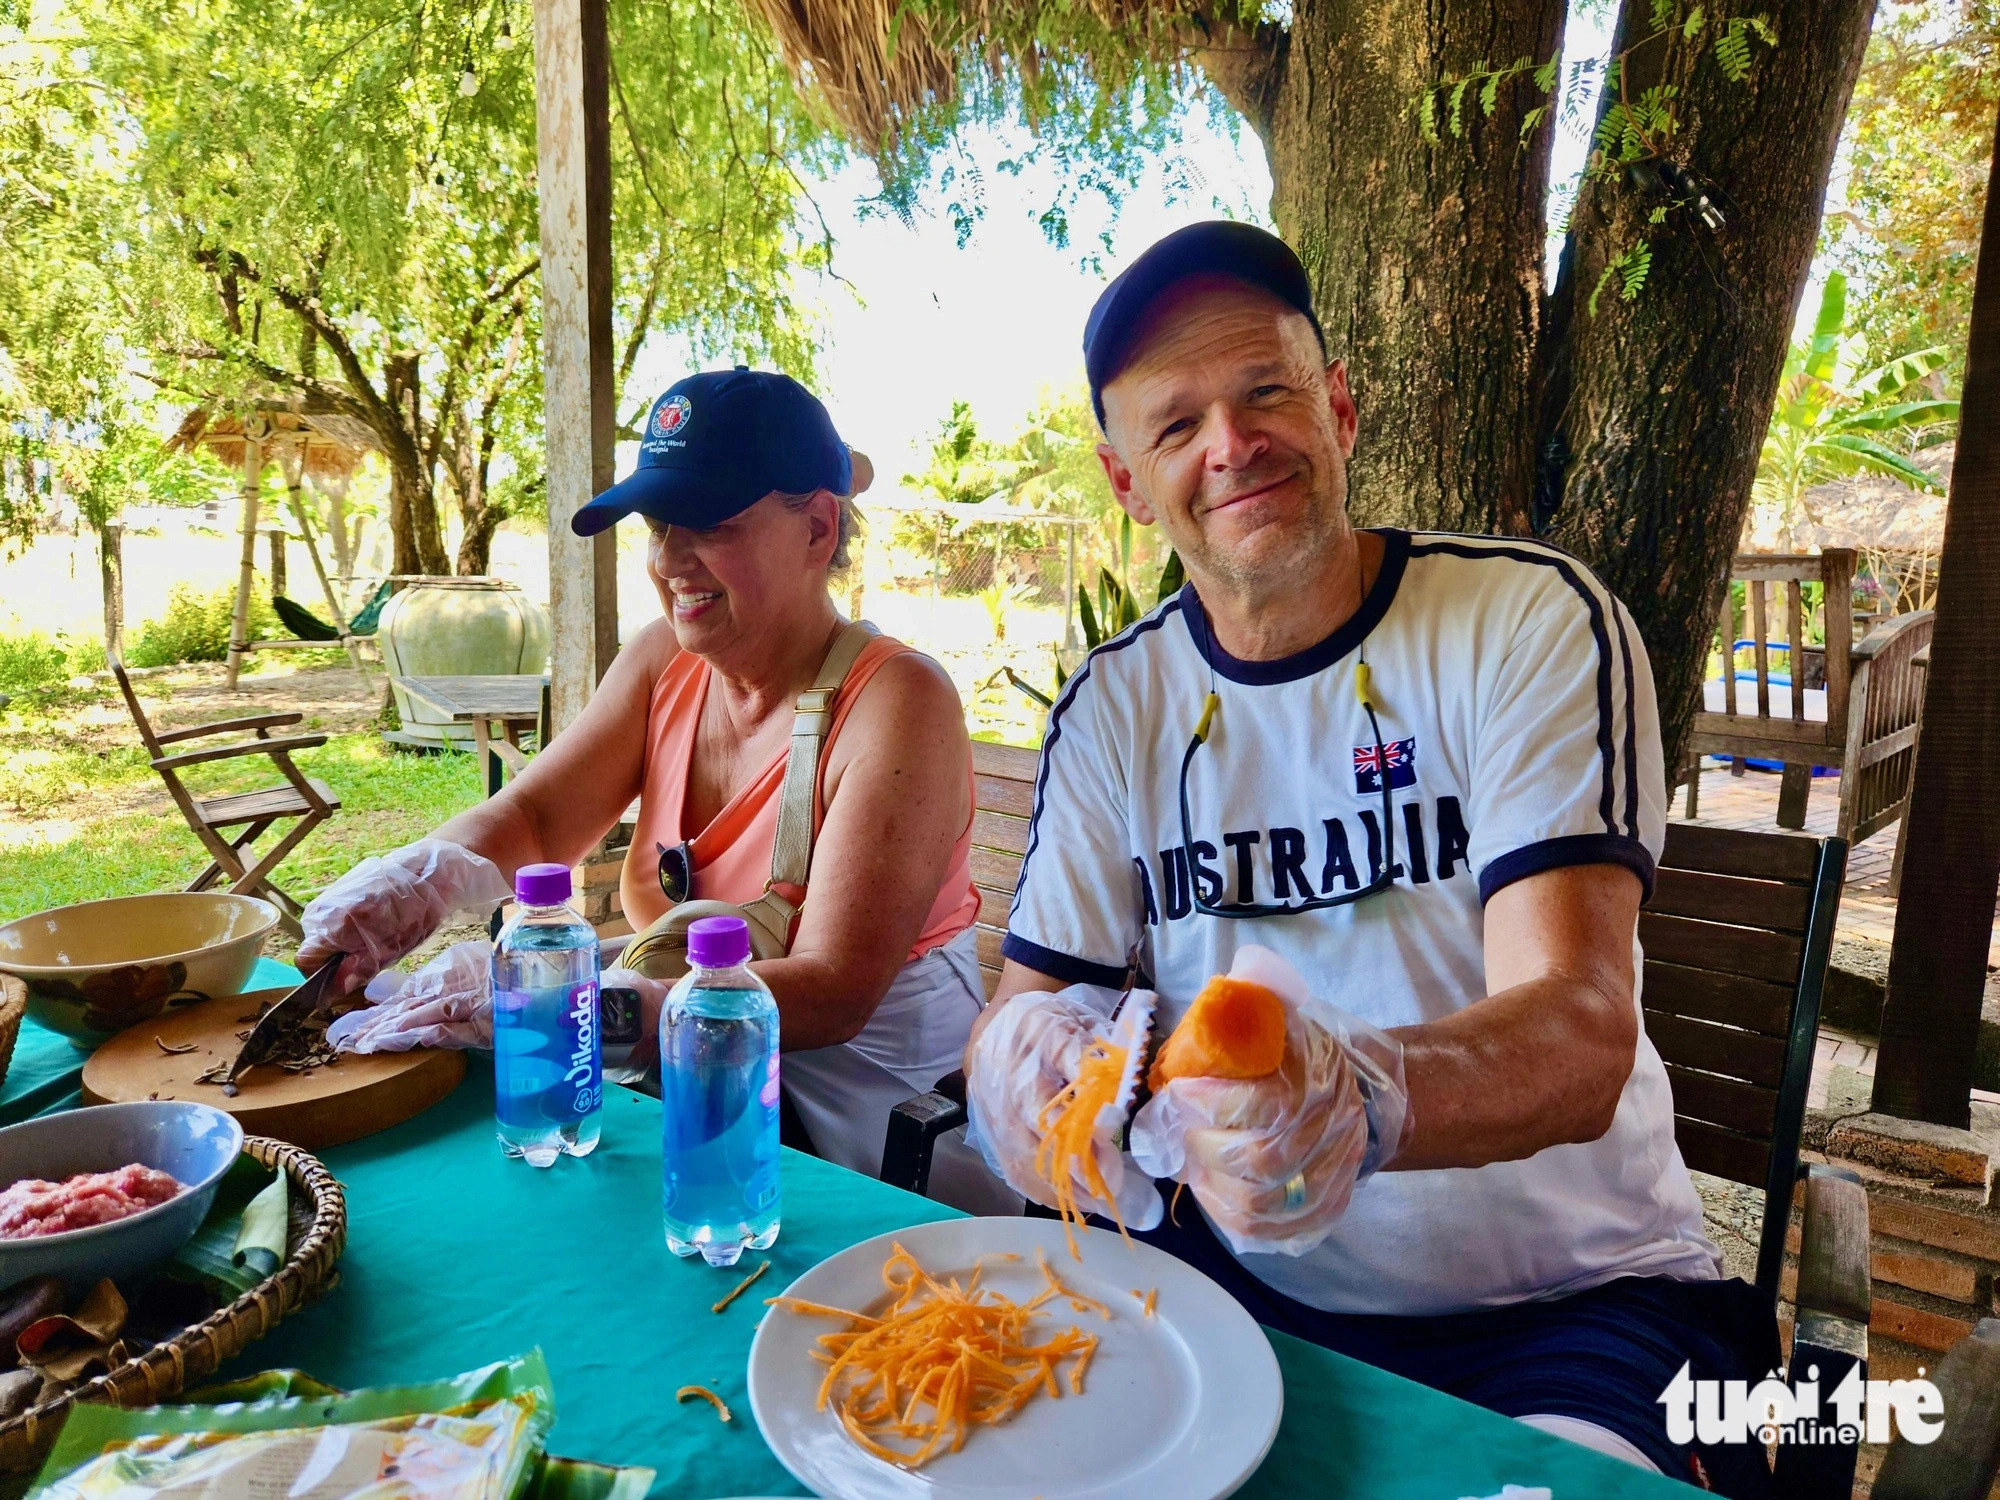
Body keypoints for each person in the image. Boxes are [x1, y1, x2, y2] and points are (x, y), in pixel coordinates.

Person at [965, 222, 1774, 1496]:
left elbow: (1575, 1031)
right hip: (1236, 1289)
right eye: (1174, 426)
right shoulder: (1115, 707)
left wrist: (1361, 1096)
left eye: (1266, 391)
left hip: (1573, 1307)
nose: (1230, 443)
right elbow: (1023, 1014)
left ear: (1339, 406)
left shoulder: (1525, 619)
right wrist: (1024, 1075)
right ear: (1127, 482)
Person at [300, 367, 1011, 1210]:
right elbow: (534, 816)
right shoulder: (661, 664)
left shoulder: (897, 703)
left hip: (868, 1127)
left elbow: (832, 992)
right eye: (656, 525)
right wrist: (417, 881)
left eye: (708, 524)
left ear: (818, 527)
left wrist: (574, 1012)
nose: (669, 561)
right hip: (691, 1085)